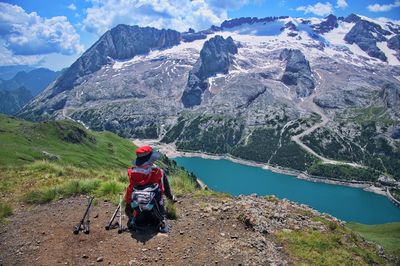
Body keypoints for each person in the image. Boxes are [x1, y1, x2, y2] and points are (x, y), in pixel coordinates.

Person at [124, 145, 176, 233]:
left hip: (137, 209)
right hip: (154, 209)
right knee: (162, 189)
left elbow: (130, 189)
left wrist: (128, 203)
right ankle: (169, 200)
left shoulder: (131, 172)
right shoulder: (158, 172)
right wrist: (169, 198)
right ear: (150, 159)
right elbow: (163, 189)